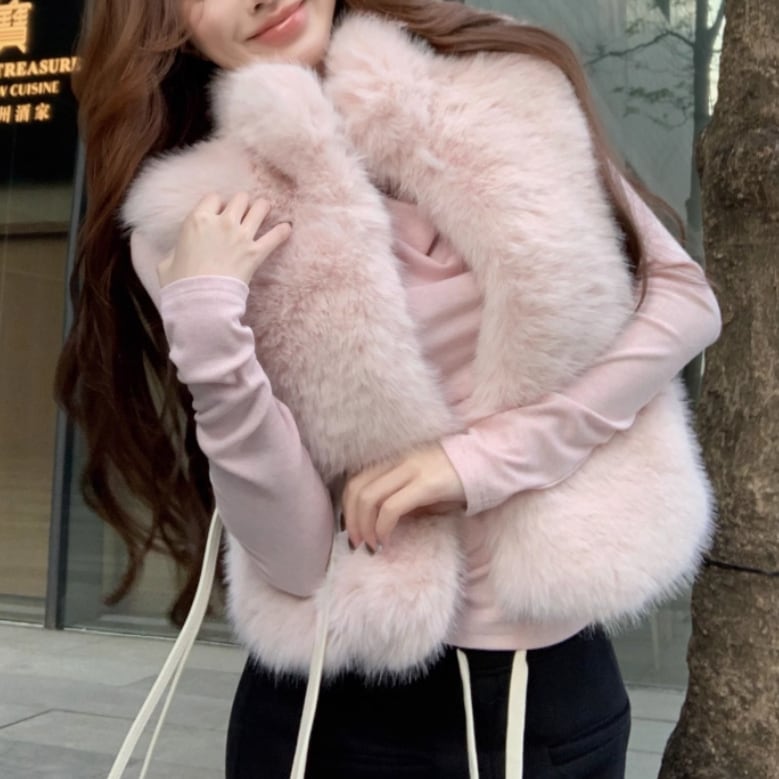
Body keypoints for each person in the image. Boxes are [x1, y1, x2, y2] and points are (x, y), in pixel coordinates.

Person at [57, 1, 722, 777]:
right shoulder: (193, 221)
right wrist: (207, 326)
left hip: (549, 690)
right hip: (341, 709)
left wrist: (482, 460)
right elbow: (295, 560)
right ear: (168, 25)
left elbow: (683, 301)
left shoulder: (501, 85)